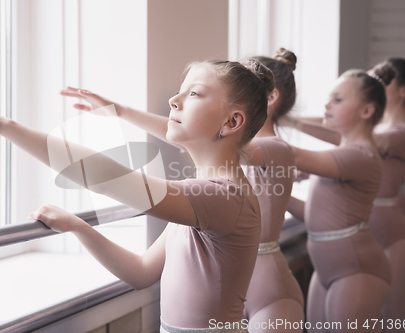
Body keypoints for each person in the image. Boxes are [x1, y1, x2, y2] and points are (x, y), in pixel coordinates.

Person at [0, 59, 274, 332]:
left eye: (194, 93)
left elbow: (105, 176)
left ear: (231, 123)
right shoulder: (202, 201)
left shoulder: (222, 197)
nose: (174, 99)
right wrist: (78, 227)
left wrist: (4, 126)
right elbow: (141, 273)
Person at [61, 48, 304, 332]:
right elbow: (194, 133)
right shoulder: (225, 166)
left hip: (263, 286)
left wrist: (124, 113)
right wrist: (120, 112)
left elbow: (199, 135)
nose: (176, 102)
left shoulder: (270, 151)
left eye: (196, 94)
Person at [285, 58, 405, 332]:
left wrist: (286, 120)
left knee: (393, 320)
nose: (377, 85)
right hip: (354, 235)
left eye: (384, 82)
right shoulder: (362, 144)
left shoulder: (394, 137)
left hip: (388, 237)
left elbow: (345, 146)